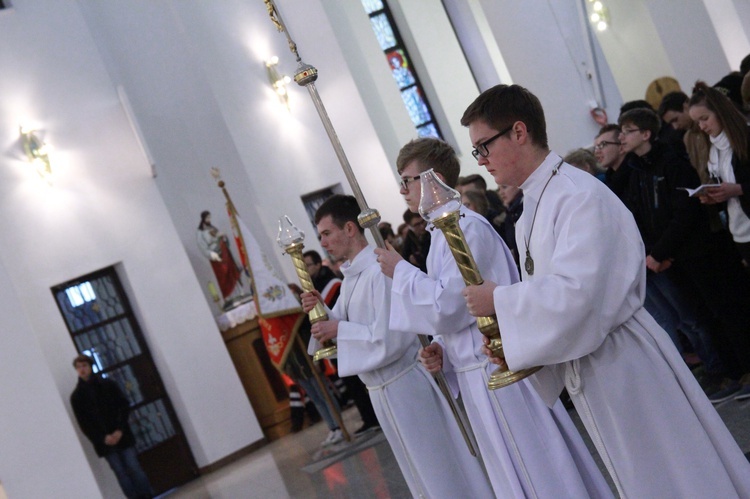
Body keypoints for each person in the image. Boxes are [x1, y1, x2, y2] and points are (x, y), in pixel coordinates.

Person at [460, 83, 750, 497]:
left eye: (483, 146)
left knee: (675, 475)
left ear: (519, 132)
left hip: (624, 363)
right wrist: (515, 342)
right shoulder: (533, 209)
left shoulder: (578, 196)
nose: (482, 160)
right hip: (593, 364)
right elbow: (553, 297)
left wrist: (500, 301)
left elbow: (579, 295)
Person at [377, 138, 612, 498]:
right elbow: (459, 306)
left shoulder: (466, 226)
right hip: (475, 374)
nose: (402, 189)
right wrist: (442, 348)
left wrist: (403, 272)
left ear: (434, 178)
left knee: (538, 468)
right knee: (512, 473)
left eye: (407, 179)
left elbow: (452, 306)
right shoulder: (441, 232)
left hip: (497, 368)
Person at [301, 195, 494, 499]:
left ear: (350, 228)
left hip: (404, 383)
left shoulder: (380, 271)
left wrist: (338, 327)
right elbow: (348, 325)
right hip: (381, 390)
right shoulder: (352, 277)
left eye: (326, 233)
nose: (323, 242)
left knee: (439, 467)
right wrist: (322, 312)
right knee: (416, 471)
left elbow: (389, 338)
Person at [303, 249, 381, 436]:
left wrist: (339, 328)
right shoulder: (346, 281)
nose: (324, 242)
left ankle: (371, 417)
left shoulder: (336, 282)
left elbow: (351, 319)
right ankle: (368, 417)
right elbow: (336, 315)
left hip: (369, 350)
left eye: (309, 265)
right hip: (345, 343)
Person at [70, 354, 154, 499]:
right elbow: (84, 424)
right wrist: (102, 438)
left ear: (90, 367)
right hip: (105, 442)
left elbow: (123, 406)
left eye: (84, 366)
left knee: (134, 468)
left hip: (122, 434)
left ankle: (147, 496)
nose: (82, 370)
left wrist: (119, 430)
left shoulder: (108, 385)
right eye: (79, 367)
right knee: (120, 473)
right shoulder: (77, 396)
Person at [688, 81, 750, 265]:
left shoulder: (746, 138)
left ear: (720, 111)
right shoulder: (713, 148)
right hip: (739, 231)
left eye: (704, 118)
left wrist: (739, 189)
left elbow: (737, 186)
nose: (702, 126)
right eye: (697, 122)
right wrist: (714, 196)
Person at [196, 211, 242, 303]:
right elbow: (203, 247)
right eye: (207, 218)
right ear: (203, 219)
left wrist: (224, 238)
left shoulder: (212, 228)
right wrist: (212, 254)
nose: (209, 220)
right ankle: (229, 296)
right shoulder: (200, 233)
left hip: (225, 253)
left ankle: (239, 293)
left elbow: (220, 238)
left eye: (210, 217)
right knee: (223, 276)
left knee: (231, 272)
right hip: (217, 258)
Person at [399, 208, 430, 273]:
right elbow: (405, 259)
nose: (422, 226)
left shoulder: (431, 232)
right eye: (417, 225)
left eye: (422, 222)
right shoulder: (410, 237)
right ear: (410, 227)